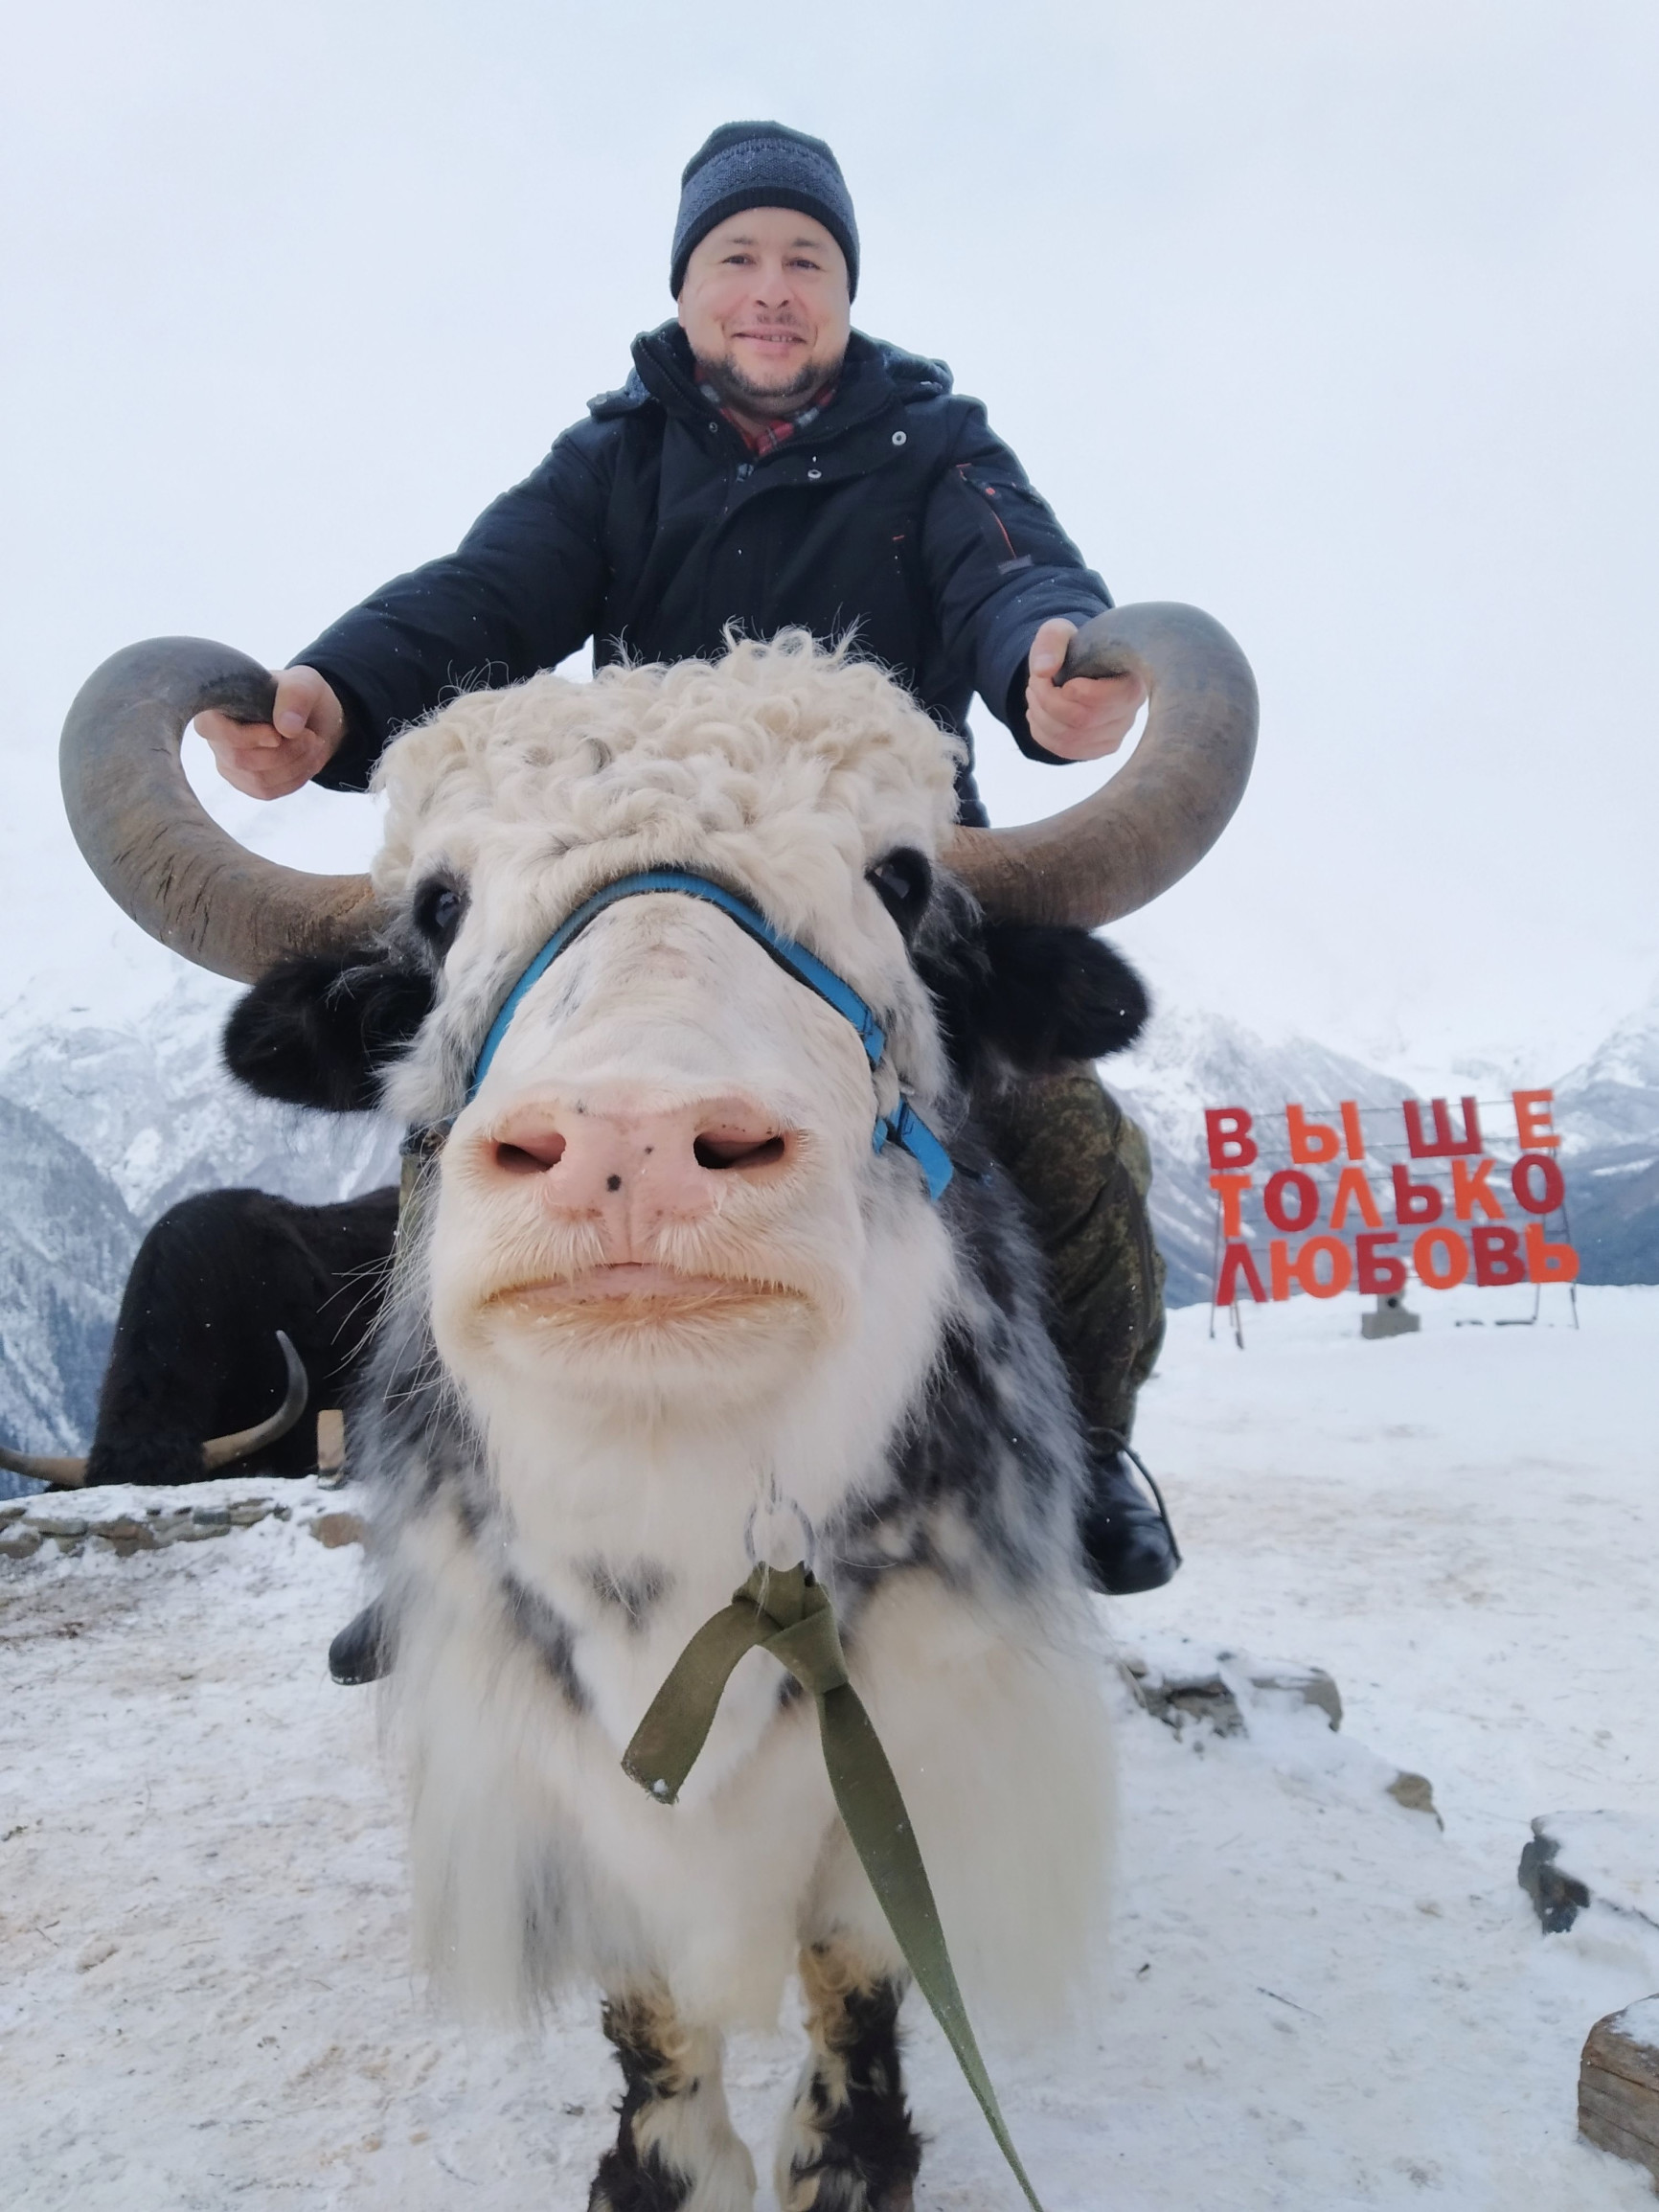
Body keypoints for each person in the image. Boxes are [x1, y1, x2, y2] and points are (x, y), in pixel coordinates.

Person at [197, 120, 1176, 1603]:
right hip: (631, 887)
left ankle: (1083, 1453)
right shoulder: (618, 457)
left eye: (807, 260)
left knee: (1073, 1140)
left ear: (845, 292)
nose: (772, 287)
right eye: (738, 257)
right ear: (686, 289)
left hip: (864, 898)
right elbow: (483, 595)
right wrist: (333, 698)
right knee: (454, 1142)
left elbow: (1012, 575)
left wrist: (1052, 659)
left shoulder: (935, 445)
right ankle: (446, 1528)